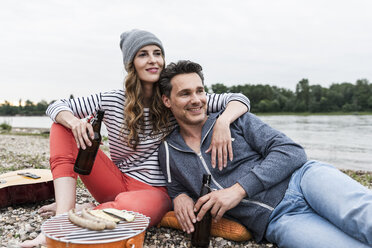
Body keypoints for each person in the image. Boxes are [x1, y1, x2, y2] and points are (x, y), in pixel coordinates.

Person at [20, 30, 251, 247]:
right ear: (131, 64)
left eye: (157, 53)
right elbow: (56, 106)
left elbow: (239, 99)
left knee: (132, 212)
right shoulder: (112, 100)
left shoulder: (175, 98)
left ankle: (92, 209)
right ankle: (63, 215)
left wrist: (222, 122)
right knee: (61, 127)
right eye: (143, 54)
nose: (153, 60)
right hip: (115, 180)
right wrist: (75, 122)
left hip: (155, 191)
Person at [158, 60, 372, 248]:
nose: (196, 99)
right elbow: (175, 186)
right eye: (185, 93)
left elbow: (292, 152)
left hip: (304, 182)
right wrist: (179, 197)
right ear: (167, 101)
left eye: (200, 91)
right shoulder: (167, 151)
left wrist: (238, 190)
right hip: (280, 220)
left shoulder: (236, 120)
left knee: (366, 221)